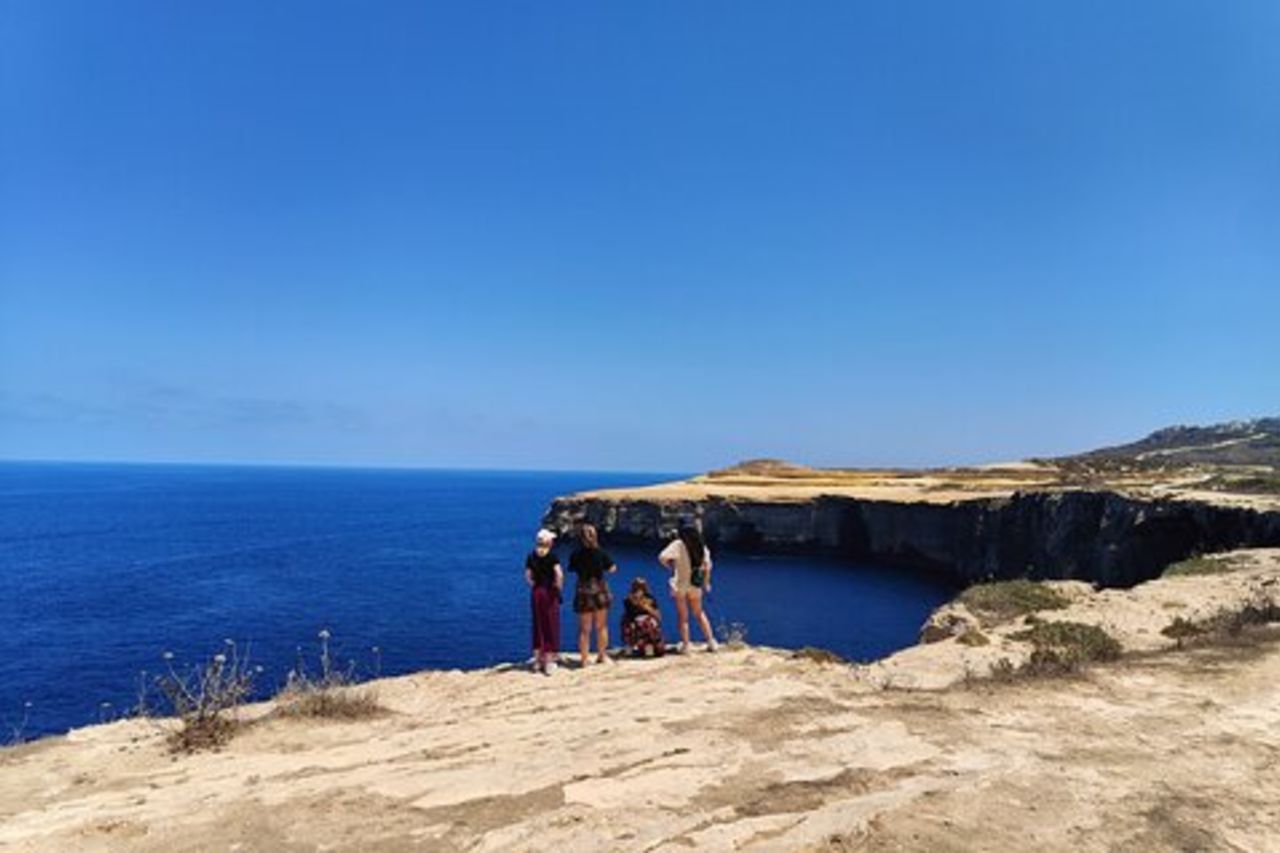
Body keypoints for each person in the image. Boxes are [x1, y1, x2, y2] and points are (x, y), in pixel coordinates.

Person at [658, 523, 718, 653]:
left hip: (680, 584)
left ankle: (686, 645)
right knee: (699, 613)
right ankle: (711, 641)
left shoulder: (678, 544)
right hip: (695, 584)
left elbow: (662, 557)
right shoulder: (702, 547)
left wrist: (670, 566)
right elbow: (707, 566)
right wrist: (706, 583)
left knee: (683, 617)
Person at [568, 523, 617, 667]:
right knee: (601, 626)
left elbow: (571, 568)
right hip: (600, 589)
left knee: (584, 629)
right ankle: (602, 656)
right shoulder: (600, 552)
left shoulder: (575, 554)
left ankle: (584, 660)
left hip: (583, 589)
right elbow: (612, 568)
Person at [524, 529, 563, 674]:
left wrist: (534, 585)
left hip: (537, 592)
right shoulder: (552, 556)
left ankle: (537, 661)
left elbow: (527, 576)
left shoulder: (531, 556)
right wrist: (557, 588)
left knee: (538, 624)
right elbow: (559, 574)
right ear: (548, 542)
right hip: (549, 592)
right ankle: (549, 661)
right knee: (550, 624)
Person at [622, 577, 664, 657]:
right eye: (637, 587)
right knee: (629, 624)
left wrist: (647, 607)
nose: (639, 590)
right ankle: (631, 647)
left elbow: (658, 616)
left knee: (648, 623)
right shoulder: (628, 600)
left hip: (648, 621)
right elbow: (628, 614)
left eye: (641, 587)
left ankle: (649, 647)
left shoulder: (650, 598)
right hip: (634, 621)